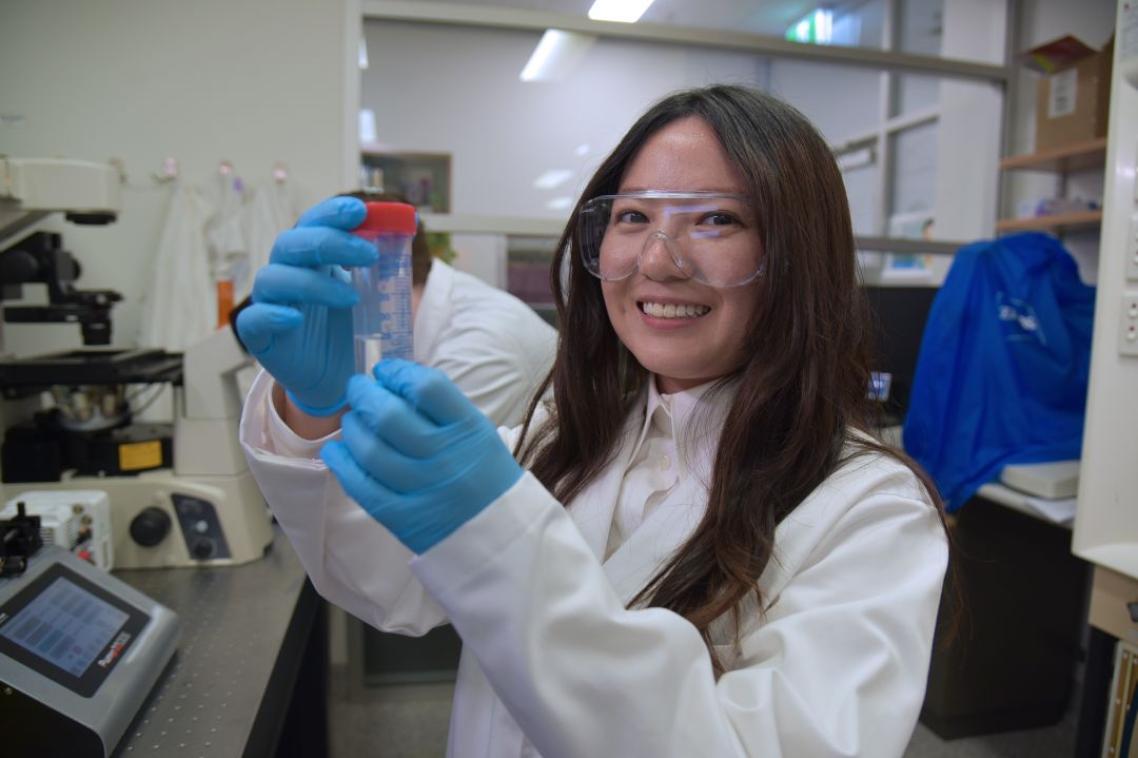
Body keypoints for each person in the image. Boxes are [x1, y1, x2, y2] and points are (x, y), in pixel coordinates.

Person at [237, 85, 949, 757]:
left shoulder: (869, 509)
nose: (657, 261)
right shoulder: (566, 435)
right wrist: (316, 411)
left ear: (799, 257)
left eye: (716, 219)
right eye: (633, 217)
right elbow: (388, 582)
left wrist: (497, 538)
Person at [233, 189, 556, 427]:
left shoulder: (482, 346)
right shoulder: (430, 313)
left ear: (387, 278)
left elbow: (400, 479)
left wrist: (323, 415)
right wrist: (310, 406)